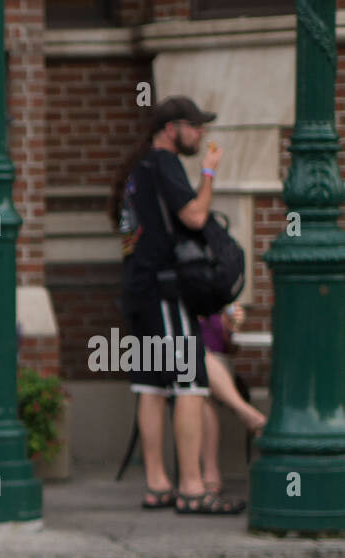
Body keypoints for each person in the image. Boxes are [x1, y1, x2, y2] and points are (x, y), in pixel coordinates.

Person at [112, 96, 244, 514]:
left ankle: (158, 485)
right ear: (172, 129)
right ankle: (191, 488)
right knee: (190, 385)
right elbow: (194, 216)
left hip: (137, 290)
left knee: (150, 387)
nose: (201, 133)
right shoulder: (164, 163)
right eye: (195, 126)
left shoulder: (135, 172)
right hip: (166, 292)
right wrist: (208, 173)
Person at [199, 304, 266, 498]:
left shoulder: (218, 305)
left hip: (222, 372)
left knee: (203, 388)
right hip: (187, 369)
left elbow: (232, 349)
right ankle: (247, 413)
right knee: (201, 387)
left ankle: (210, 473)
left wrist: (230, 328)